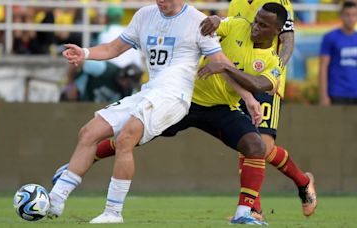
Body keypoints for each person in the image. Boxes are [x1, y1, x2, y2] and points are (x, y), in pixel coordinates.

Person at [51, 3, 293, 225]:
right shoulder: (234, 24)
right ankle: (67, 182)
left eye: (263, 25)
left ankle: (244, 213)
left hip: (202, 103)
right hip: (179, 97)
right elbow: (218, 26)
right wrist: (216, 20)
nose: (255, 27)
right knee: (109, 133)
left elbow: (242, 74)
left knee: (255, 146)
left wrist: (248, 96)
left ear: (277, 30)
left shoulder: (274, 61)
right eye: (256, 21)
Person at [227, 0, 317, 218]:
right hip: (242, 78)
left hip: (267, 80)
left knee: (263, 146)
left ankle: (303, 182)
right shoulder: (235, 3)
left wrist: (276, 72)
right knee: (247, 144)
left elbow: (287, 41)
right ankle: (253, 209)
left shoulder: (279, 3)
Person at [319, 1, 357, 106]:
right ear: (341, 15)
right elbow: (323, 66)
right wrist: (323, 95)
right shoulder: (330, 37)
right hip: (337, 93)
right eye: (347, 15)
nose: (351, 18)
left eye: (354, 15)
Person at [60, 61, 142, 102]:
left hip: (93, 111)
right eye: (127, 82)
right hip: (77, 96)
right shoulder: (104, 68)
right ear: (122, 75)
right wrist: (70, 85)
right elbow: (75, 62)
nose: (127, 85)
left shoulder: (129, 91)